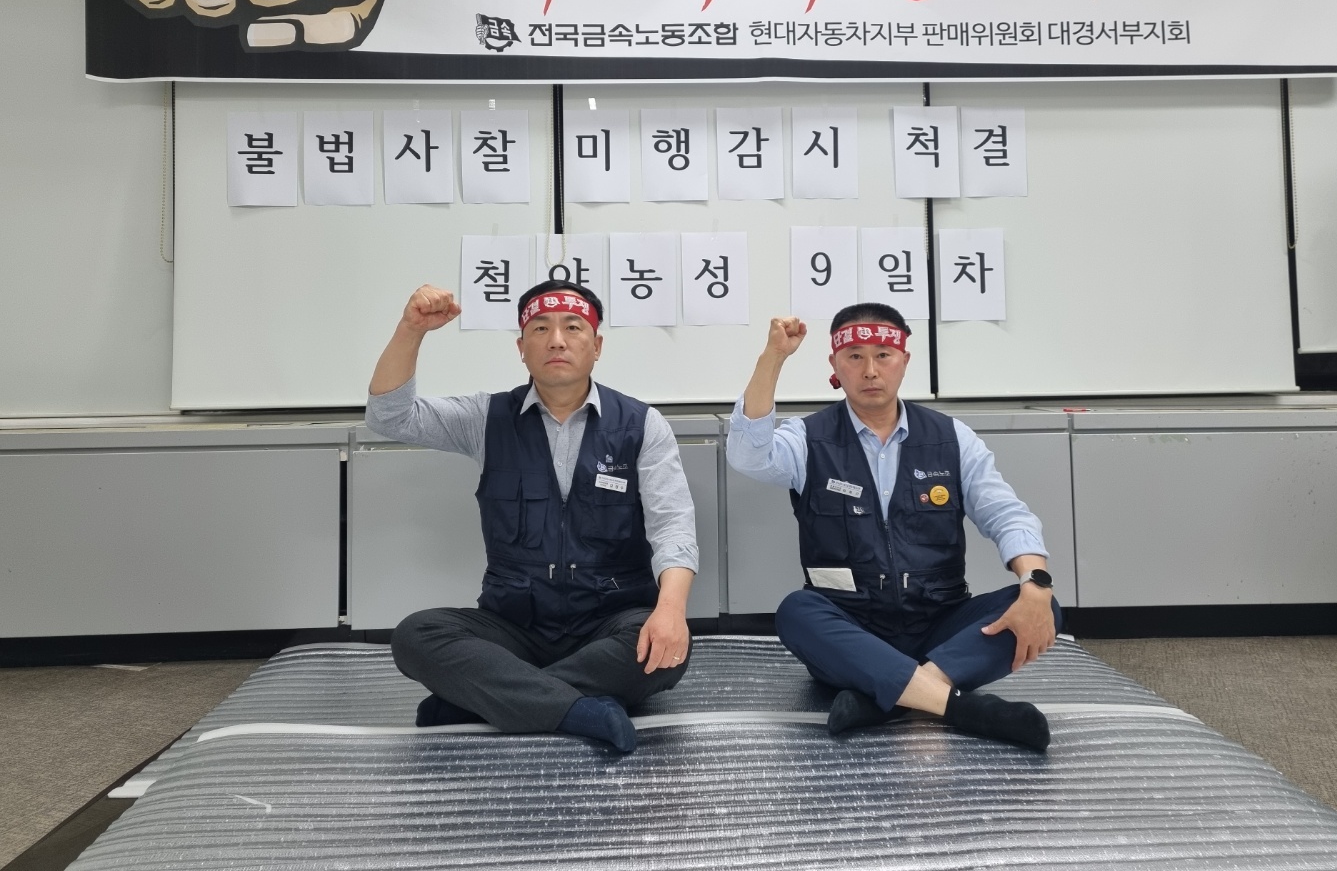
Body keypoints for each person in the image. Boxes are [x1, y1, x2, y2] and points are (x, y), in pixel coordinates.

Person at [365, 280, 699, 754]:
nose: (557, 340)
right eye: (540, 328)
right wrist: (410, 330)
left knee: (668, 649)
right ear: (522, 349)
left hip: (609, 620)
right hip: (514, 624)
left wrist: (670, 611)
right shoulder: (486, 418)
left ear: (597, 346)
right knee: (416, 635)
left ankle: (489, 701)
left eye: (573, 327)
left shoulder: (642, 425)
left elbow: (673, 527)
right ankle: (578, 708)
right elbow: (388, 417)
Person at [727, 304, 1060, 751]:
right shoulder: (808, 439)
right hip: (853, 630)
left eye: (883, 355)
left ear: (904, 360)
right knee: (797, 612)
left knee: (1041, 604)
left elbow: (1007, 514)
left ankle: (891, 698)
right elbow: (748, 455)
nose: (870, 370)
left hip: (939, 623)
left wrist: (1035, 584)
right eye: (855, 357)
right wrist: (774, 357)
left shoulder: (951, 437)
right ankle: (962, 708)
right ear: (834, 365)